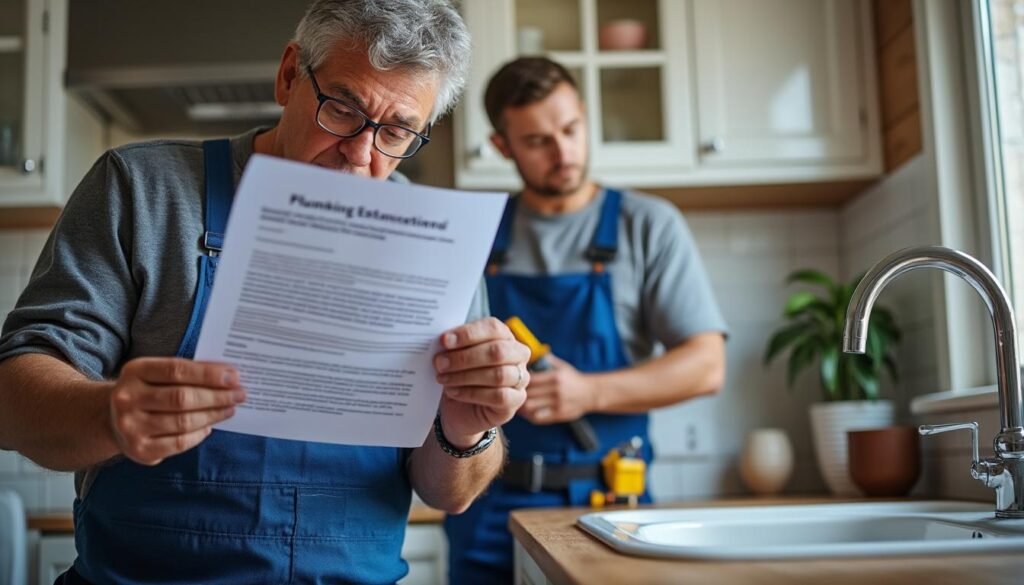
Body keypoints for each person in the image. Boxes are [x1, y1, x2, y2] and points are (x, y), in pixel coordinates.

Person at [0, 1, 532, 583]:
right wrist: (109, 414)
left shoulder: (436, 238)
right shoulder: (141, 190)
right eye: (343, 108)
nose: (360, 153)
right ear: (288, 76)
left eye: (397, 132)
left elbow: (448, 495)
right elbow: (13, 401)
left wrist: (466, 429)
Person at [443, 56, 729, 582]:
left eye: (571, 129)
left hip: (612, 505)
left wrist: (589, 393)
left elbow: (706, 366)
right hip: (486, 506)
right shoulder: (473, 233)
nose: (564, 153)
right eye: (537, 142)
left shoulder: (648, 225)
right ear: (503, 147)